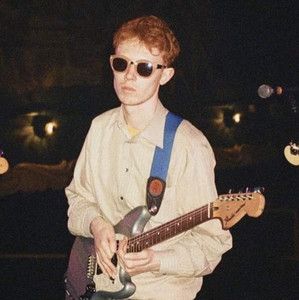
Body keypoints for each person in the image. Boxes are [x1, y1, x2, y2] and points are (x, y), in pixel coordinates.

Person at [66, 15, 232, 300]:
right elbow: (78, 199)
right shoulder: (99, 128)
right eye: (121, 64)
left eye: (144, 68)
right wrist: (98, 225)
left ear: (165, 75)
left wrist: (157, 259)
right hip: (95, 288)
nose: (129, 76)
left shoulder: (189, 145)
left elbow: (212, 244)